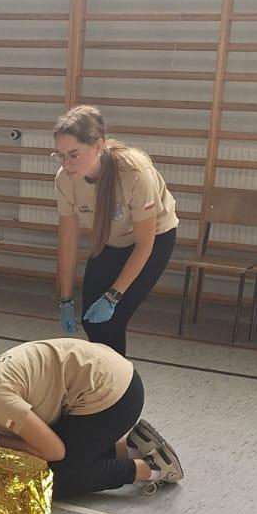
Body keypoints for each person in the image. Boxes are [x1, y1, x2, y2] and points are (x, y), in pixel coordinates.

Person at [0, 337, 183, 499]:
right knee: (41, 457)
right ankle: (129, 446)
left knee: (53, 478)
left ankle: (151, 468)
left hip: (115, 396)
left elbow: (54, 451)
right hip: (112, 380)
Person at [53, 106, 178, 356]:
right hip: (110, 238)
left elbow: (144, 245)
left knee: (113, 320)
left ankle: (119, 379)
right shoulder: (65, 179)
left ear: (98, 146)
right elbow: (68, 240)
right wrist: (65, 298)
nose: (66, 164)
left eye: (74, 155)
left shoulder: (135, 173)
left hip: (152, 240)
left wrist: (113, 296)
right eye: (60, 155)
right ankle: (107, 376)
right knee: (91, 322)